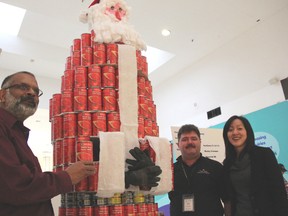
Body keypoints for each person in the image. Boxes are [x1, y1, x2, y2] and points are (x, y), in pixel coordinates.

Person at [0, 71, 161, 216]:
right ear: (2, 95)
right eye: (22, 87)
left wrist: (124, 178)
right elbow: (16, 186)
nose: (31, 93)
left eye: (36, 91)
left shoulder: (16, 132)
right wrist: (67, 177)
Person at [222, 115, 288, 216]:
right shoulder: (227, 164)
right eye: (230, 130)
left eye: (240, 128)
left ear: (247, 132)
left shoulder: (264, 154)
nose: (235, 132)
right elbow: (230, 199)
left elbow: (279, 192)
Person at [168, 124, 229, 216]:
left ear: (200, 142)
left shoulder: (215, 167)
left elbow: (227, 201)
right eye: (184, 139)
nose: (190, 142)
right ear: (178, 145)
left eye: (194, 138)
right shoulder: (170, 170)